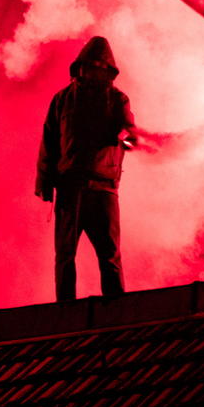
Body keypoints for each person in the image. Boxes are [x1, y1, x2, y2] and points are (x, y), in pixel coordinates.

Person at [37, 36, 135, 302]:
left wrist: (130, 137)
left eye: (98, 66)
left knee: (110, 255)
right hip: (71, 188)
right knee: (65, 255)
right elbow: (49, 141)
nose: (92, 71)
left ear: (107, 69)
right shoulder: (62, 100)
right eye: (89, 66)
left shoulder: (117, 99)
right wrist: (44, 182)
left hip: (103, 188)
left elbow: (128, 129)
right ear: (79, 67)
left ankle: (116, 310)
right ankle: (66, 311)